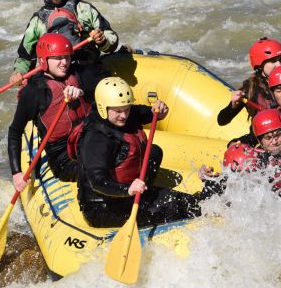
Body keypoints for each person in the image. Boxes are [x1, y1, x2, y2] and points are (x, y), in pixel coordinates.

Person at [76, 77, 204, 228]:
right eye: (118, 111)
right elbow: (97, 181)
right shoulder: (96, 139)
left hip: (131, 193)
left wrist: (158, 110)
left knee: (186, 201)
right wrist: (127, 190)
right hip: (104, 207)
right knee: (171, 209)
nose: (124, 115)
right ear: (103, 107)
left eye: (126, 109)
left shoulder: (124, 114)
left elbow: (146, 112)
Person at [7, 33, 98, 191]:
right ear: (43, 60)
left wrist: (82, 92)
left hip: (90, 141)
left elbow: (99, 93)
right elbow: (15, 131)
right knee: (99, 169)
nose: (64, 63)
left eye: (67, 57)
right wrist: (17, 173)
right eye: (58, 58)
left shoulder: (77, 73)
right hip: (64, 158)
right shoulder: (35, 91)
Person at [10, 0, 119, 86]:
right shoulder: (37, 22)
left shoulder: (83, 9)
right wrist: (19, 72)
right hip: (57, 78)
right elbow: (25, 57)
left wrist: (103, 41)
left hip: (87, 69)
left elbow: (111, 37)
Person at [217, 37, 281, 126]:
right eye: (273, 61)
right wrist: (233, 105)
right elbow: (222, 121)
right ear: (260, 64)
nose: (279, 65)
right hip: (262, 136)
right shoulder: (250, 90)